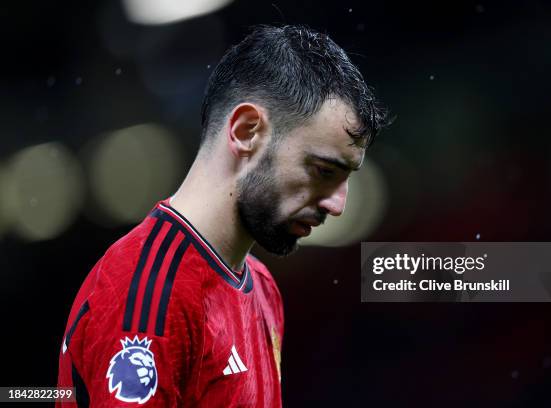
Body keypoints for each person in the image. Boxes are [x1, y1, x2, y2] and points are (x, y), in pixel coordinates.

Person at [57, 24, 390, 407]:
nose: (338, 205)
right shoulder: (150, 292)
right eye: (324, 171)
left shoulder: (263, 288)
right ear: (247, 131)